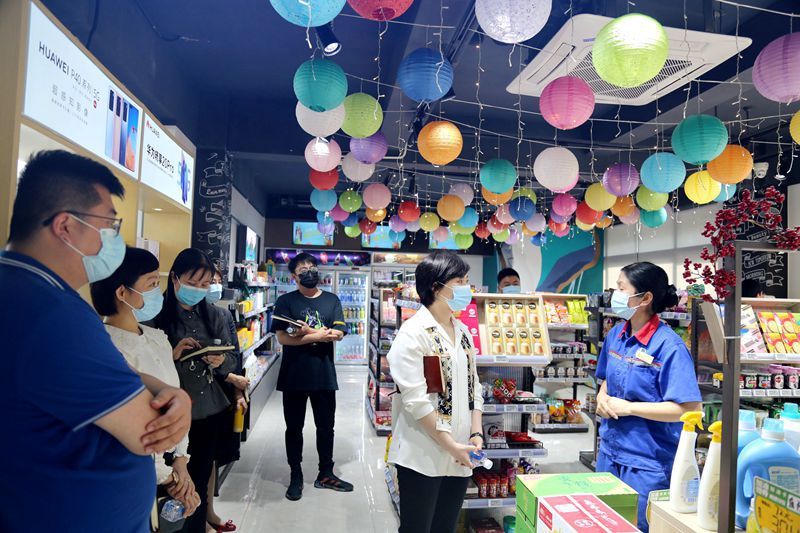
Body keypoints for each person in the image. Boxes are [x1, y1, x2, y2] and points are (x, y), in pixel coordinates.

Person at [0, 150, 191, 532]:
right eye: (109, 224)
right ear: (65, 226)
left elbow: (113, 378)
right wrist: (174, 400)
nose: (113, 239)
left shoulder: (23, 289)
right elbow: (150, 431)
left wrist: (168, 390)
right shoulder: (53, 315)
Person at [90, 246, 202, 521]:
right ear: (122, 293)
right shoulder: (104, 348)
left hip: (170, 465)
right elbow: (130, 430)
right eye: (151, 284)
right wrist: (171, 479)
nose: (157, 292)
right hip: (132, 474)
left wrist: (181, 460)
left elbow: (175, 401)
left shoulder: (157, 337)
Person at [596, 262, 702, 532]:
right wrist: (601, 396)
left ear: (645, 298)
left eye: (621, 289)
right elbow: (607, 377)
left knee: (639, 527)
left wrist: (630, 408)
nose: (615, 295)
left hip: (647, 463)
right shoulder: (616, 335)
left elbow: (689, 409)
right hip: (609, 452)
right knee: (605, 524)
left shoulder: (669, 346)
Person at [387, 251, 484, 533]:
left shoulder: (462, 332)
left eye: (467, 280)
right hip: (422, 454)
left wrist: (476, 433)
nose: (466, 288)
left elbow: (474, 386)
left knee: (445, 526)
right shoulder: (413, 333)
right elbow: (416, 401)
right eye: (459, 281)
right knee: (417, 528)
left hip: (461, 452)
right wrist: (450, 444)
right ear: (436, 287)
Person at [152, 249, 242, 533]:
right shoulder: (155, 314)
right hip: (168, 413)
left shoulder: (215, 315)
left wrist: (220, 360)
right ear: (175, 278)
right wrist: (172, 355)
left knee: (199, 481)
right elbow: (145, 365)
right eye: (193, 283)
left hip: (207, 410)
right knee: (170, 485)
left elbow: (232, 359)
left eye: (205, 284)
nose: (199, 290)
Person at [271, 252, 352, 501]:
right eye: (303, 269)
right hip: (294, 375)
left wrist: (306, 332)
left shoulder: (331, 300)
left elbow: (338, 333)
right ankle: (295, 474)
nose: (309, 272)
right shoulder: (285, 301)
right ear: (294, 277)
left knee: (326, 427)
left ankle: (325, 473)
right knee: (294, 428)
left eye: (312, 267)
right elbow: (283, 338)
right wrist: (318, 336)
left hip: (323, 374)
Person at [205, 267, 248, 533]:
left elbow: (234, 353)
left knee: (210, 457)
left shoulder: (222, 314)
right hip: (191, 393)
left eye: (217, 282)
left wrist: (237, 388)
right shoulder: (175, 315)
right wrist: (230, 375)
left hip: (219, 394)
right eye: (209, 281)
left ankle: (208, 512)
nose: (214, 287)